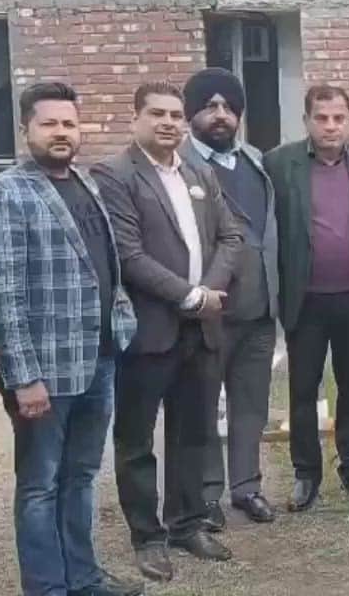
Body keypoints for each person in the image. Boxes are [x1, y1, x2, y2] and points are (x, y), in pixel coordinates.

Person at [0, 82, 142, 596]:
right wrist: (23, 377)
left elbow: (104, 269)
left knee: (82, 477)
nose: (61, 132)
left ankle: (84, 578)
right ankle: (48, 587)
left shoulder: (87, 184)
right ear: (27, 129)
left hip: (98, 360)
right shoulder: (4, 192)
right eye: (49, 123)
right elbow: (1, 292)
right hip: (45, 373)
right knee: (40, 487)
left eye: (69, 123)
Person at [90, 81, 243, 582]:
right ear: (135, 119)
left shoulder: (200, 172)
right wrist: (191, 295)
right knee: (136, 439)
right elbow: (129, 256)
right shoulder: (114, 175)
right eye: (157, 113)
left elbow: (230, 236)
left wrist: (210, 291)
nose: (169, 123)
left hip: (202, 330)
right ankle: (147, 536)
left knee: (193, 433)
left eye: (176, 115)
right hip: (148, 332)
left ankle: (187, 522)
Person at [264, 84, 349, 512]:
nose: (331, 126)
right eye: (322, 118)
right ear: (307, 122)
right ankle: (306, 474)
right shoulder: (280, 164)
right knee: (303, 389)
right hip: (305, 300)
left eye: (339, 117)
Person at [179, 68, 280, 528]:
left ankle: (247, 488)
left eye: (228, 107)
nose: (220, 116)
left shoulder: (255, 160)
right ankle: (205, 496)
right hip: (210, 314)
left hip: (259, 312)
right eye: (209, 106)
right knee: (201, 410)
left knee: (251, 408)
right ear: (192, 113)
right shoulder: (178, 166)